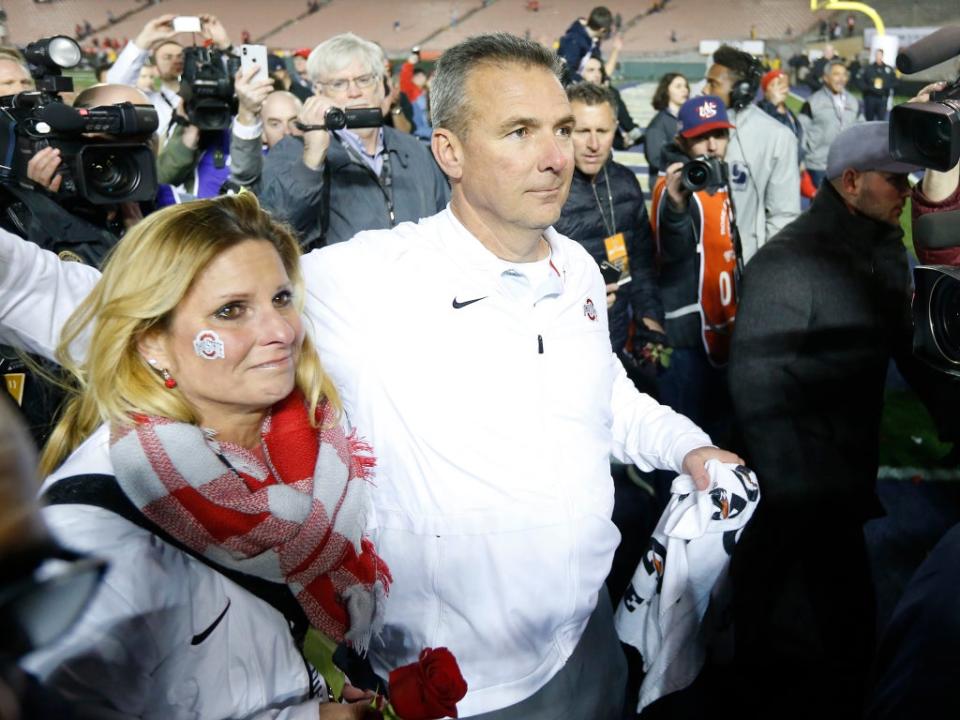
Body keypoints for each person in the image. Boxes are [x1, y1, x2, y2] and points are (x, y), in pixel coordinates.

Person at [0, 33, 741, 719]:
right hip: (457, 684)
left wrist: (686, 447)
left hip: (589, 635)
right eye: (519, 132)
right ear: (448, 151)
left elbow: (600, 392)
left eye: (560, 127)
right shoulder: (365, 281)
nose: (555, 155)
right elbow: (133, 308)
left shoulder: (574, 266)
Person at [14, 194, 388, 719]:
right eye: (231, 311)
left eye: (281, 299)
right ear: (152, 342)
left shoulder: (318, 441)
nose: (281, 332)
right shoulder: (93, 535)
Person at [727, 121, 956, 718]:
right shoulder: (788, 259)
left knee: (832, 622)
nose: (907, 193)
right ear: (851, 182)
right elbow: (755, 382)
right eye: (895, 181)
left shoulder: (883, 250)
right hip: (797, 487)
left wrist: (952, 414)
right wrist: (800, 490)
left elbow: (910, 344)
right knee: (788, 618)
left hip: (838, 479)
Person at [260, 33, 449, 247]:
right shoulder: (292, 151)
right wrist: (312, 159)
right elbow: (279, 234)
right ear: (317, 92)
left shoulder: (415, 150)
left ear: (381, 86)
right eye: (338, 83)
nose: (354, 92)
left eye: (364, 80)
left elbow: (448, 226)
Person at [650, 95, 738, 444]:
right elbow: (670, 253)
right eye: (702, 137)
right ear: (682, 141)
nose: (713, 146)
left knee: (723, 433)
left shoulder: (727, 181)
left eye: (720, 134)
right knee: (685, 442)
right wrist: (674, 206)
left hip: (728, 328)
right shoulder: (672, 186)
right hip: (688, 337)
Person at [554, 82, 663, 359]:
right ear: (564, 130)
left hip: (615, 341)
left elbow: (640, 262)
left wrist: (649, 316)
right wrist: (583, 299)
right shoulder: (544, 189)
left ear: (615, 129)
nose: (593, 144)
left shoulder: (626, 183)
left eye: (601, 131)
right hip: (564, 346)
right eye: (582, 131)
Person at [704, 45, 800, 262]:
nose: (704, 90)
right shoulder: (695, 130)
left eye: (713, 84)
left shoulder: (777, 137)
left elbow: (783, 215)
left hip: (746, 264)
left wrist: (768, 267)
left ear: (742, 90)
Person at [800, 59, 863, 189]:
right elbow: (801, 132)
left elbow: (862, 131)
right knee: (821, 206)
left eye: (844, 75)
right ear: (826, 78)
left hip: (846, 165)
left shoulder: (853, 101)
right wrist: (801, 160)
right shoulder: (813, 102)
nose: (841, 79)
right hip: (819, 164)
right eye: (836, 74)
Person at [579, 55, 641, 149]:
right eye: (591, 70)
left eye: (599, 70)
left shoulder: (609, 92)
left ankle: (627, 134)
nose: (597, 74)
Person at [644, 72, 689, 182]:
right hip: (665, 183)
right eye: (678, 86)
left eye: (686, 86)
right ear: (666, 91)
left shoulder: (687, 118)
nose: (685, 90)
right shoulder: (658, 124)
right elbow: (655, 159)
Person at [557, 5, 613, 81]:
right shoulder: (573, 41)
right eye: (607, 31)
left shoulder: (593, 40)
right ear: (602, 30)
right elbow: (566, 71)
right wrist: (584, 85)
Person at [861, 48, 896, 121]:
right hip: (870, 98)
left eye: (879, 55)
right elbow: (861, 81)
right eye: (876, 55)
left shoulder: (888, 69)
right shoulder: (868, 68)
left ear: (882, 56)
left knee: (881, 121)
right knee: (869, 121)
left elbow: (895, 82)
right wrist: (867, 88)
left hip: (882, 99)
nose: (878, 57)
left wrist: (885, 87)